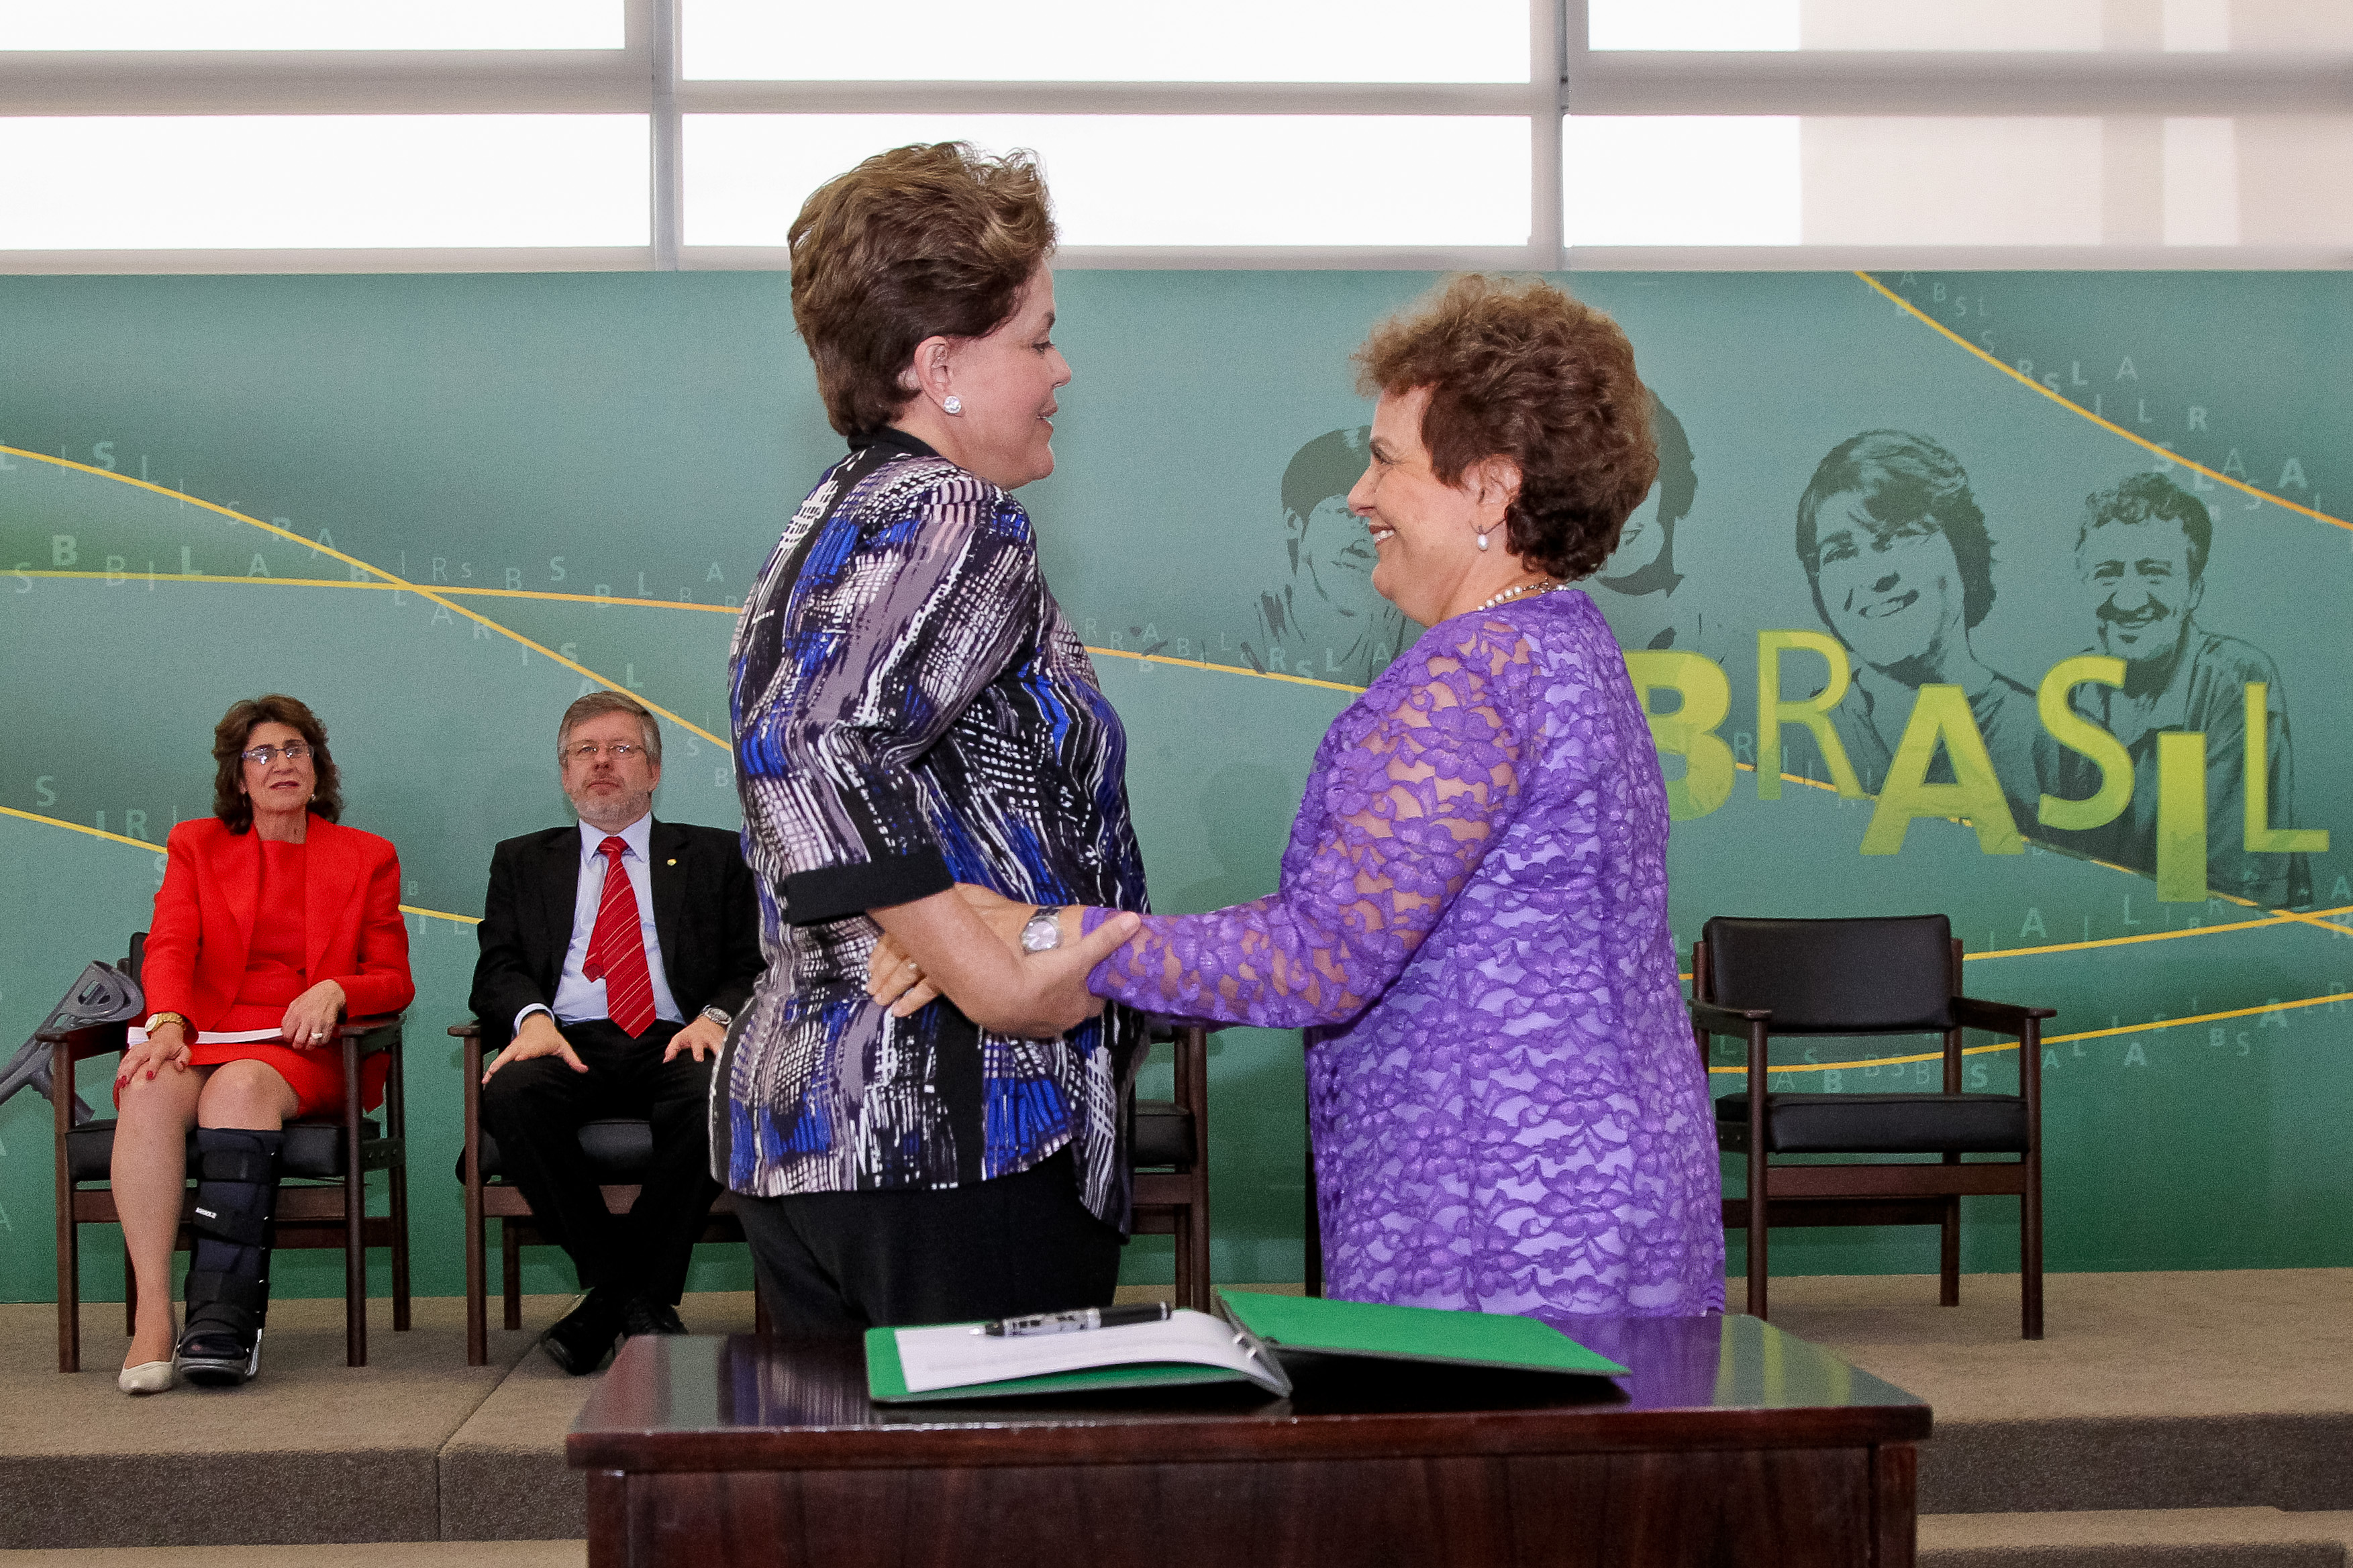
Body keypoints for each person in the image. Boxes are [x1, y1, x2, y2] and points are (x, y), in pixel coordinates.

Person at [877, 274, 1724, 1323]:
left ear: (1490, 487)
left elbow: (1317, 958)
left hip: (1496, 1217)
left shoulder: (1467, 680)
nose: (1359, 497)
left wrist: (1041, 933)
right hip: (1618, 1192)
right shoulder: (1570, 647)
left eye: (1383, 462)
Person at [718, 141, 1146, 1337]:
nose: (1063, 369)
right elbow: (809, 746)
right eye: (1040, 337)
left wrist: (941, 915)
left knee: (853, 1520)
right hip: (958, 1131)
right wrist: (990, 971)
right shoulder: (963, 513)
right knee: (992, 1521)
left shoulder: (835, 515)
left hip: (818, 1130)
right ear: (942, 365)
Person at [111, 694, 413, 1392]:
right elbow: (171, 946)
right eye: (264, 754)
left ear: (318, 767)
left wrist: (338, 989)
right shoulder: (196, 845)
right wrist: (167, 1023)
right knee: (150, 1085)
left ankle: (224, 1317)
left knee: (240, 1085)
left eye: (296, 750)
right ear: (238, 778)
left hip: (306, 1051)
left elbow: (393, 978)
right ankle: (154, 1315)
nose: (283, 764)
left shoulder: (366, 857)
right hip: (211, 1032)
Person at [470, 691, 763, 1373]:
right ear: (566, 775)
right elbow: (498, 968)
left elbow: (754, 964)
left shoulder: (716, 856)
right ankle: (637, 1298)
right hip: (565, 1039)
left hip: (675, 1036)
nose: (602, 762)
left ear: (654, 772)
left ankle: (611, 1303)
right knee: (512, 1093)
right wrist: (532, 1019)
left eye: (621, 749)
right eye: (585, 751)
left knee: (712, 1094)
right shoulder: (522, 860)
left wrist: (714, 1018)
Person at [2064, 472, 2312, 908]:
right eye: (2107, 573)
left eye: (2154, 572)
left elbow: (2225, 892)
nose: (2128, 599)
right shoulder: (2073, 689)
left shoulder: (2238, 680)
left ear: (2195, 590)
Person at [1795, 430, 2056, 829]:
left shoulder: (2052, 744)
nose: (1874, 575)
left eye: (1900, 536)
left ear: (1963, 551)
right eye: (1841, 552)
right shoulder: (1798, 735)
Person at [1240, 426, 1413, 688]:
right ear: (1294, 524)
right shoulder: (1250, 630)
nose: (1367, 537)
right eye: (1347, 514)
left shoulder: (1421, 636)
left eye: (1384, 517)